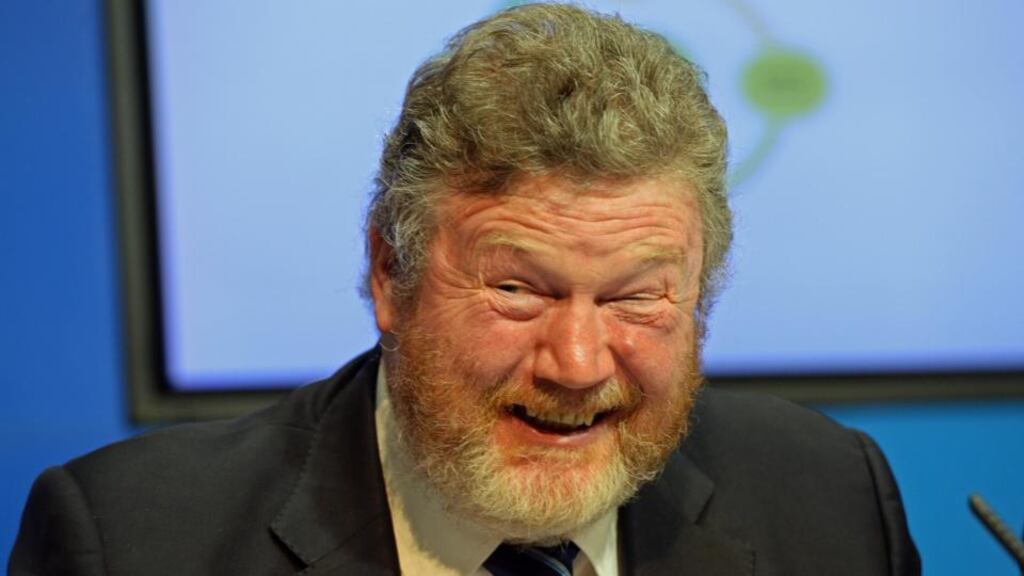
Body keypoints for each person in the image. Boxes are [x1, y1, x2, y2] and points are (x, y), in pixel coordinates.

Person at [10, 4, 920, 575]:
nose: (576, 363)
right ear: (388, 274)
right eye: (519, 289)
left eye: (636, 299)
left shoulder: (830, 502)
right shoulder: (131, 542)